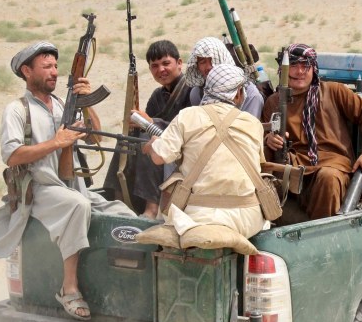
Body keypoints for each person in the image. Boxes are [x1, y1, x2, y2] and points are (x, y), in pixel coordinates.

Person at [0, 41, 134, 321]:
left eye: (55, 66)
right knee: (77, 205)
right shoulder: (17, 110)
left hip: (71, 185)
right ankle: (69, 288)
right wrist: (56, 142)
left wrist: (87, 103)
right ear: (27, 71)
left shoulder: (62, 104)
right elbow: (12, 155)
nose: (54, 72)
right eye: (46, 67)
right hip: (40, 189)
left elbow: (95, 137)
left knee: (123, 215)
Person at [144, 63, 268, 237]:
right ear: (238, 93)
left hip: (196, 218)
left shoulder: (187, 116)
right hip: (247, 219)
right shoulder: (253, 123)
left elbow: (159, 157)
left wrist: (152, 145)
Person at [262, 43, 362, 219]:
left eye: (306, 66)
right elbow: (261, 137)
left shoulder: (334, 91)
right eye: (294, 65)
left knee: (328, 178)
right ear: (283, 70)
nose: (300, 71)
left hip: (332, 165)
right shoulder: (274, 102)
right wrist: (269, 140)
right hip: (293, 170)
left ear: (314, 68)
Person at [103, 40, 192, 219]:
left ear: (179, 63)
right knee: (128, 138)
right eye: (155, 66)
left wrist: (152, 122)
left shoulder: (191, 91)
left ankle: (151, 209)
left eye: (166, 63)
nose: (161, 70)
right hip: (161, 151)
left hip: (181, 152)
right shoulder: (157, 96)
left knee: (149, 141)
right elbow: (143, 128)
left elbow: (191, 130)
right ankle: (118, 201)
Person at [186, 36, 264, 119]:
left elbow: (249, 129)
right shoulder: (196, 94)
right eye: (202, 62)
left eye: (213, 60)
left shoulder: (249, 94)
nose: (209, 67)